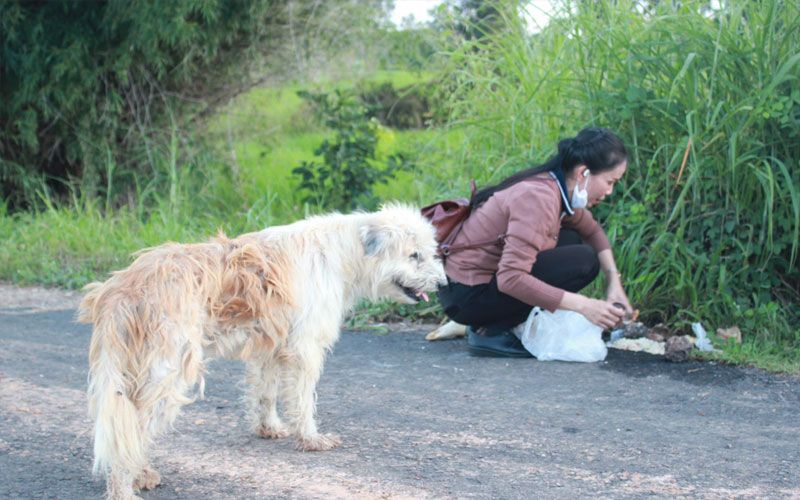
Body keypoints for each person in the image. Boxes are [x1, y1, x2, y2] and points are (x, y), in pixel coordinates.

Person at [437, 127, 634, 357]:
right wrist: (584, 305)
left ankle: (498, 322)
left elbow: (593, 231)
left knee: (574, 239)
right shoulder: (538, 199)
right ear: (583, 174)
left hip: (470, 286)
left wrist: (614, 282)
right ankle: (491, 330)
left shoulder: (558, 188)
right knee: (584, 261)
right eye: (610, 181)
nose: (610, 191)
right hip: (466, 296)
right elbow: (511, 278)